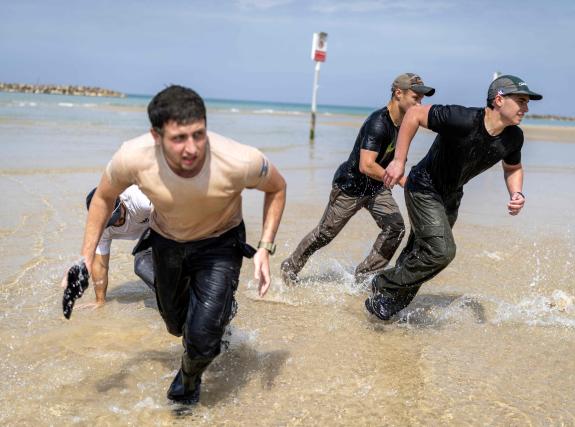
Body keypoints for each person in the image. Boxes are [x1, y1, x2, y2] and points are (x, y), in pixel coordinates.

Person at [63, 85, 286, 404]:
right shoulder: (133, 157)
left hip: (219, 244)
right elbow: (103, 196)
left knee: (201, 338)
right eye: (179, 139)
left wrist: (265, 247)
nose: (191, 148)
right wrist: (85, 257)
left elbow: (276, 188)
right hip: (167, 243)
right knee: (175, 325)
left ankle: (188, 381)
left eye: (198, 135)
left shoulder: (239, 159)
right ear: (156, 136)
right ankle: (213, 323)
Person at [365, 74, 542, 320]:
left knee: (420, 252)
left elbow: (512, 168)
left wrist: (517, 192)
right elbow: (414, 115)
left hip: (451, 196)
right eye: (521, 100)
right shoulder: (461, 119)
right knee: (441, 252)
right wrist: (398, 161)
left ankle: (387, 306)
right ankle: (383, 283)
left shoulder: (513, 137)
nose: (526, 107)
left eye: (527, 102)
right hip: (423, 188)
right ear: (499, 100)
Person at [281, 73, 435, 283]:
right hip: (350, 186)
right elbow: (366, 165)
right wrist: (401, 181)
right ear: (398, 94)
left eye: (421, 100)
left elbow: (397, 159)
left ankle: (363, 276)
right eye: (415, 98)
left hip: (377, 188)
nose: (420, 103)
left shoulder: (408, 123)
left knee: (395, 229)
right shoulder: (378, 123)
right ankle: (290, 267)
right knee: (325, 234)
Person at [81, 185, 154, 309]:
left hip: (166, 222)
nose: (117, 223)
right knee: (142, 266)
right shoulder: (101, 229)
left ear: (120, 201)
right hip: (151, 229)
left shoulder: (140, 200)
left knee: (154, 260)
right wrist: (100, 300)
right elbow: (100, 265)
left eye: (117, 217)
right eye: (110, 222)